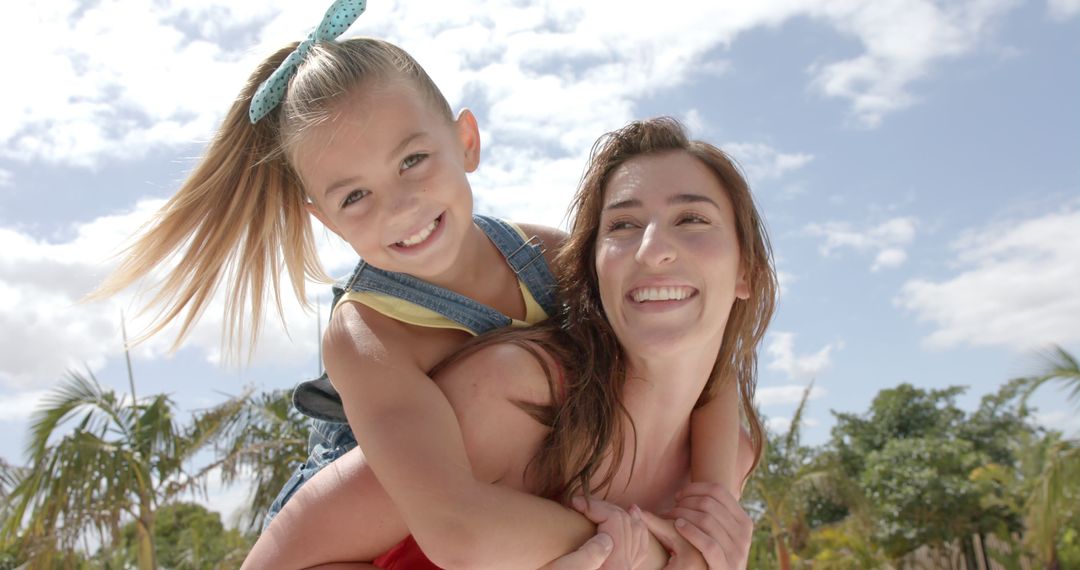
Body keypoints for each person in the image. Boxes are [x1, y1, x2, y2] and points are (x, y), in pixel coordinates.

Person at [91, 0, 753, 565]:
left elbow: (703, 360)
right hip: (385, 503)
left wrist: (713, 500)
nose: (400, 206)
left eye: (413, 159)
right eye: (355, 197)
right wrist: (639, 545)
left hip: (503, 491)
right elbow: (455, 529)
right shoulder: (366, 334)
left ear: (466, 139)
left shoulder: (546, 255)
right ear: (321, 217)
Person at [244, 116, 777, 569]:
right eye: (623, 225)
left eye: (692, 219)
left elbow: (714, 374)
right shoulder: (516, 395)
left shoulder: (725, 463)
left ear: (746, 272)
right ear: (590, 270)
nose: (654, 248)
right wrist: (619, 548)